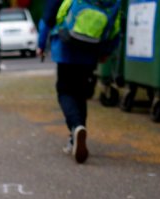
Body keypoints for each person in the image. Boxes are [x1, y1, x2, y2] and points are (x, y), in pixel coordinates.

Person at [38, 0, 121, 163]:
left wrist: (41, 43)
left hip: (67, 45)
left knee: (65, 90)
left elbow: (50, 16)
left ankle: (76, 127)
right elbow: (115, 22)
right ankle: (75, 135)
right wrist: (107, 50)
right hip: (91, 48)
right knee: (81, 93)